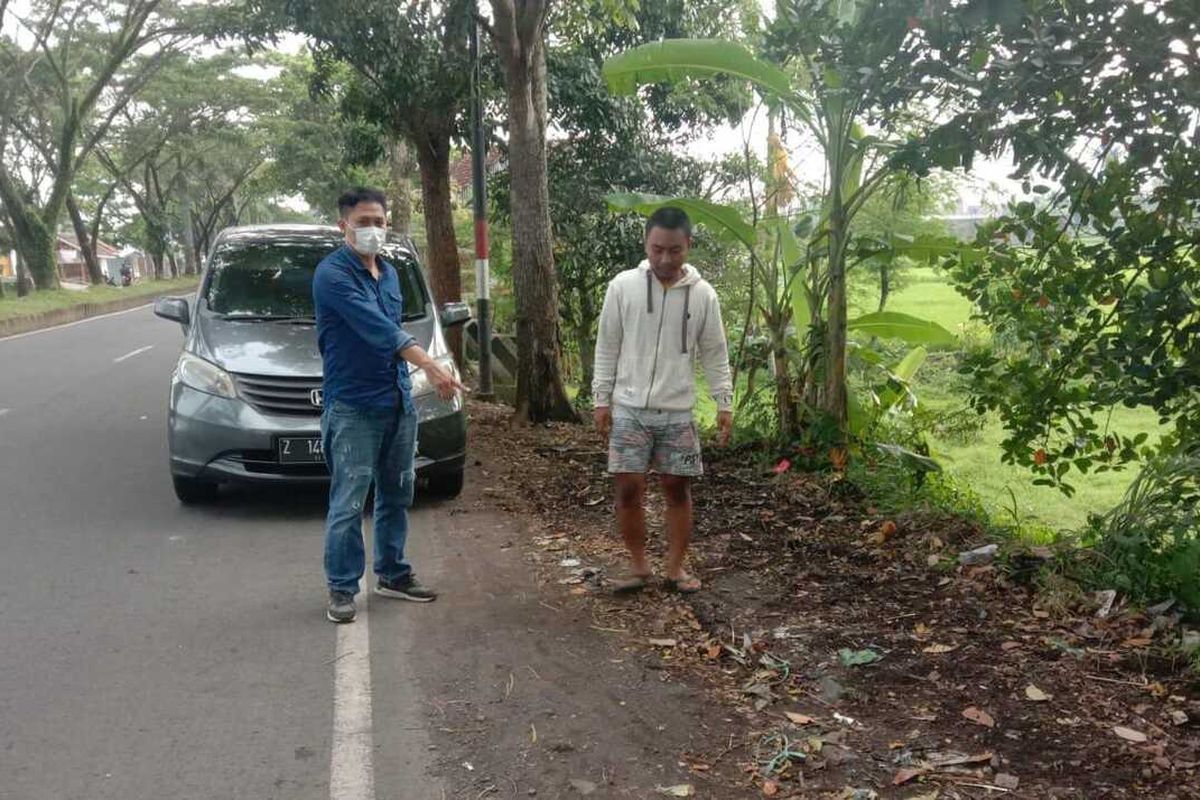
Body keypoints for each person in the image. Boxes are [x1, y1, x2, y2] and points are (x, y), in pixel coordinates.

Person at [314, 187, 467, 623]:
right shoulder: (332, 275)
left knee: (398, 492)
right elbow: (379, 329)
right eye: (363, 222)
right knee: (348, 501)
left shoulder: (392, 274)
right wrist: (433, 367)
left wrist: (421, 376)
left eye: (379, 222)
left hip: (398, 400)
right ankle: (342, 587)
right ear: (343, 225)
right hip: (354, 406)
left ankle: (393, 574)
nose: (373, 230)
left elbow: (395, 331)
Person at [592, 207, 734, 595]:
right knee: (628, 489)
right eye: (657, 250)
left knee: (677, 488)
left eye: (674, 250)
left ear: (688, 245)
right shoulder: (622, 287)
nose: (665, 259)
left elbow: (715, 352)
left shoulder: (703, 295)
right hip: (629, 410)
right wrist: (601, 399)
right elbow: (607, 345)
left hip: (677, 412)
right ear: (646, 244)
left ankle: (674, 568)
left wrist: (724, 402)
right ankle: (639, 566)